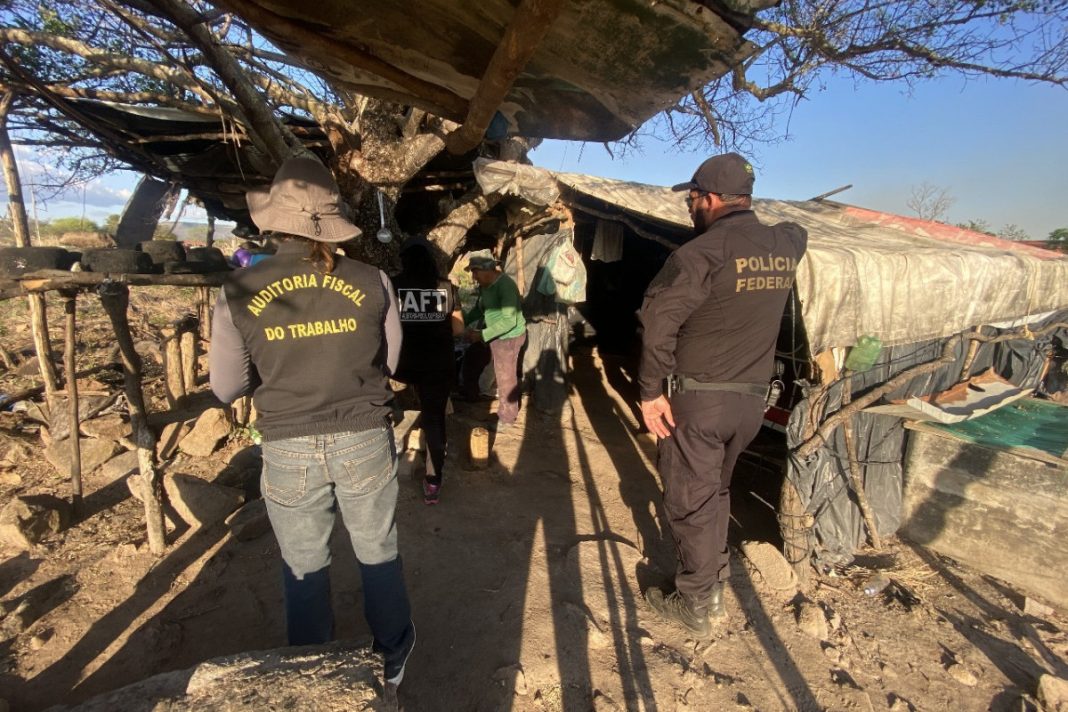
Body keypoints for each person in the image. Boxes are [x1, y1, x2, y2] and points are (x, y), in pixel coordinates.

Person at [209, 156, 416, 697]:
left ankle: (311, 673)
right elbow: (390, 363)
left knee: (304, 566)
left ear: (274, 221)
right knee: (378, 552)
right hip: (364, 436)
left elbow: (225, 387)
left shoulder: (236, 289)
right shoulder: (374, 280)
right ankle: (392, 664)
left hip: (287, 445)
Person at [638, 153, 807, 637]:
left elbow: (657, 325)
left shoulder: (697, 255)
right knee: (716, 493)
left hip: (699, 404)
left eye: (692, 199)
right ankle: (712, 582)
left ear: (711, 200)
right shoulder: (785, 245)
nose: (689, 208)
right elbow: (799, 230)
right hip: (750, 406)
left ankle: (696, 602)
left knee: (691, 501)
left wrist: (651, 392)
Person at [392, 237, 463, 504]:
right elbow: (457, 328)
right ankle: (433, 482)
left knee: (390, 411)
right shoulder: (447, 287)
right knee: (435, 419)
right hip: (438, 364)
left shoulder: (394, 285)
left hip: (402, 365)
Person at [460, 249, 527, 429]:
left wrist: (481, 335)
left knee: (505, 375)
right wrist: (460, 321)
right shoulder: (485, 286)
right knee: (473, 358)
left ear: (488, 269)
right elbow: (479, 309)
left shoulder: (505, 286)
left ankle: (507, 416)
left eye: (475, 272)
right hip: (493, 333)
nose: (474, 277)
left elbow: (509, 321)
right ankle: (471, 395)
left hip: (509, 336)